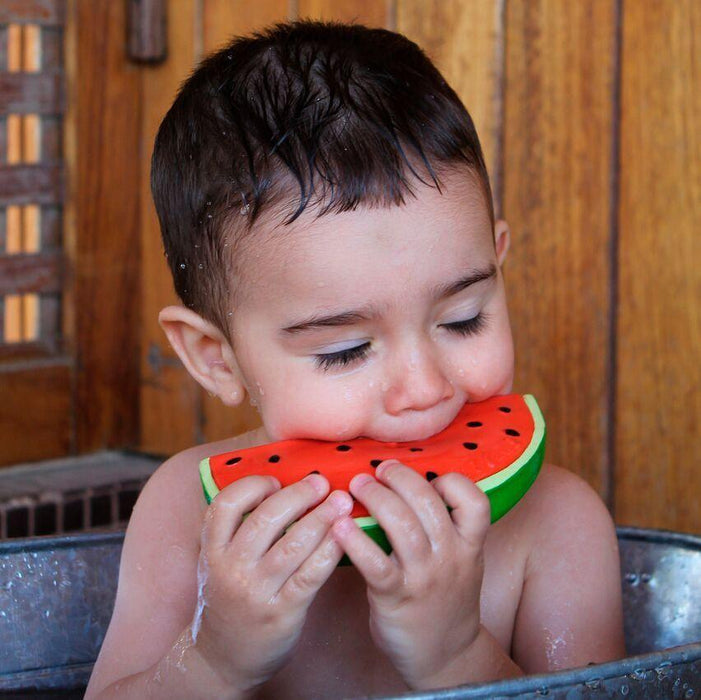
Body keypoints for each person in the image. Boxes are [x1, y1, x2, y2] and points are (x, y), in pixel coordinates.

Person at [85, 20, 625, 700]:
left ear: (497, 264)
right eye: (343, 352)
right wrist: (211, 662)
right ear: (214, 358)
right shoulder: (183, 509)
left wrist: (456, 654)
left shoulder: (558, 525)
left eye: (463, 319)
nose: (424, 389)